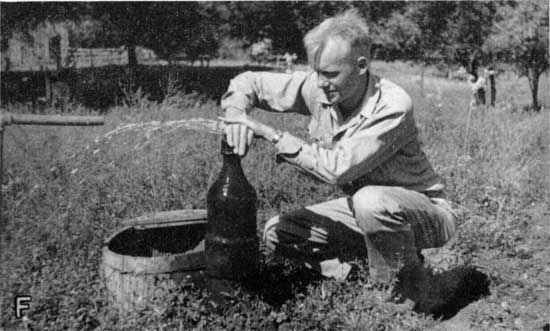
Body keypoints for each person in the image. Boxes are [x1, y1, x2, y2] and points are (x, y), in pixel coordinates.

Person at [219, 9, 457, 312]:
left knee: (371, 202)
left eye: (330, 74)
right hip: (365, 212)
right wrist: (236, 117)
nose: (319, 83)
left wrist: (271, 135)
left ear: (361, 65)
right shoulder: (320, 87)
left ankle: (404, 288)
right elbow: (248, 82)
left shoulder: (392, 106)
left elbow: (337, 170)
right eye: (316, 71)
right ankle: (360, 271)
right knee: (277, 234)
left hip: (425, 216)